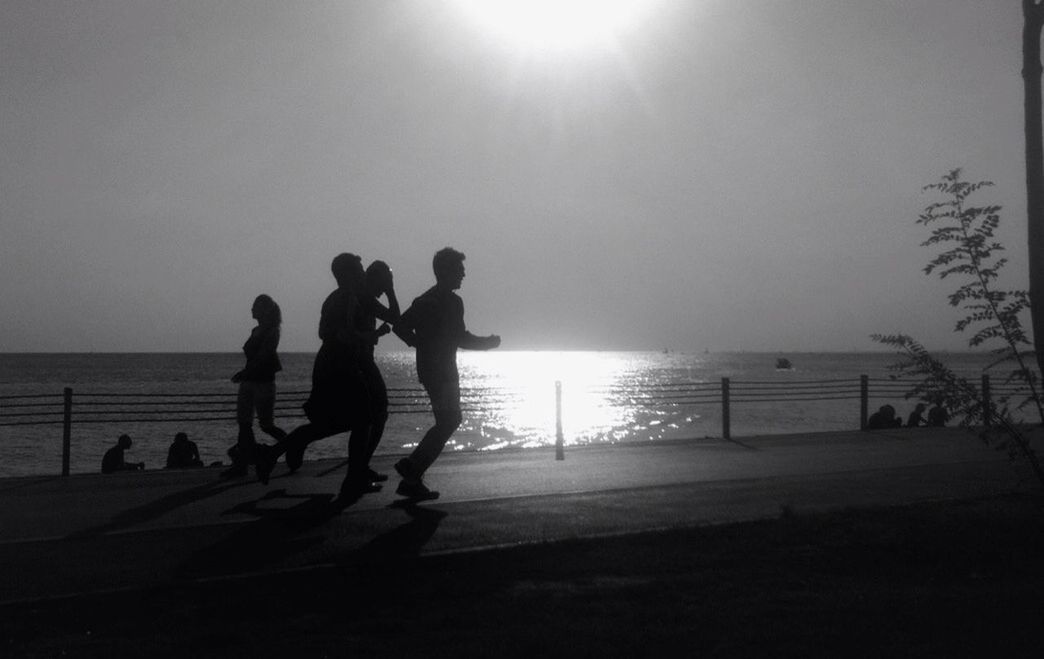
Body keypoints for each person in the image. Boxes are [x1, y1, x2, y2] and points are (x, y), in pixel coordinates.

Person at [255, 253, 380, 498]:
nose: (363, 274)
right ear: (347, 274)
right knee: (364, 420)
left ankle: (272, 454)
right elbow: (338, 334)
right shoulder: (346, 298)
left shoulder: (333, 299)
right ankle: (353, 481)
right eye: (359, 270)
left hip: (329, 365)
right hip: (340, 366)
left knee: (334, 424)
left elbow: (324, 332)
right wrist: (368, 337)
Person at [392, 247, 501, 500]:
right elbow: (461, 337)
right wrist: (488, 343)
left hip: (433, 370)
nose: (463, 274)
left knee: (448, 421)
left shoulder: (426, 300)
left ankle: (413, 473)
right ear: (447, 271)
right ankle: (412, 469)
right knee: (450, 421)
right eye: (459, 269)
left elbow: (400, 326)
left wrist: (418, 343)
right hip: (442, 372)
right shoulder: (448, 302)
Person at [224, 294, 288, 478]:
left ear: (264, 309)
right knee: (244, 423)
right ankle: (241, 465)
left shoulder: (272, 331)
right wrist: (245, 374)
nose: (252, 309)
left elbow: (264, 355)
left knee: (266, 425)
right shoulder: (255, 330)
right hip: (249, 381)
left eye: (255, 306)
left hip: (263, 382)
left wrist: (245, 373)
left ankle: (291, 445)